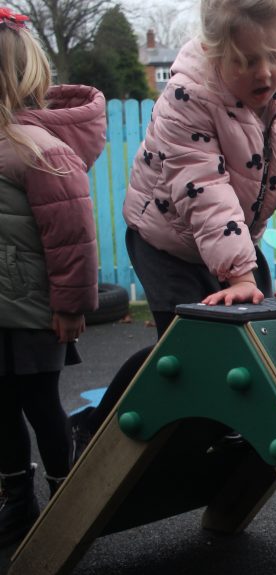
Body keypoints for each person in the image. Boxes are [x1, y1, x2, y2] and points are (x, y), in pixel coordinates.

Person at [71, 0, 276, 446]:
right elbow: (204, 190)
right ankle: (97, 423)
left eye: (275, 56)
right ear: (217, 54)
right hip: (166, 241)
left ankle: (222, 429)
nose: (266, 72)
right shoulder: (188, 95)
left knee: (254, 337)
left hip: (234, 237)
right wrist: (238, 273)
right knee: (180, 351)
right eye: (247, 60)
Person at [0, 8, 104, 547]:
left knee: (40, 404)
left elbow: (73, 241)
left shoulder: (40, 152)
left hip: (35, 312)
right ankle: (16, 499)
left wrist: (69, 305)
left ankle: (67, 498)